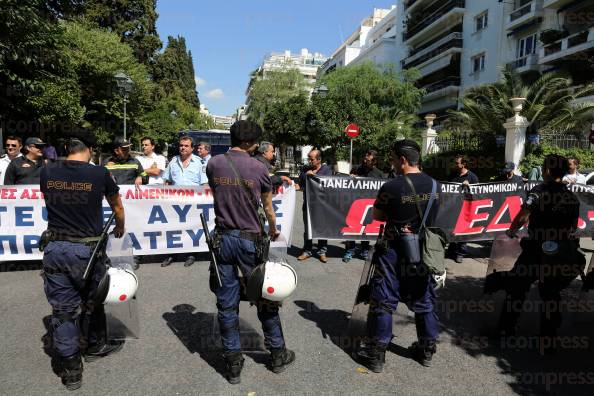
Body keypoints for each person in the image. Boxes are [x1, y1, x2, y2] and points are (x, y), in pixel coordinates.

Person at [206, 120, 294, 384]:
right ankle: (277, 353)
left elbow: (217, 191)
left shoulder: (214, 163)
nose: (258, 146)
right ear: (249, 143)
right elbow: (267, 208)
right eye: (256, 142)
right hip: (249, 241)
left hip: (222, 240)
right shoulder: (259, 168)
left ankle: (233, 363)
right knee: (264, 295)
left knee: (226, 302)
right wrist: (274, 228)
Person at [40, 137, 126, 390]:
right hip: (87, 249)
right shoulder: (99, 173)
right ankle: (94, 345)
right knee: (93, 299)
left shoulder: (47, 171)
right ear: (89, 150)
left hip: (55, 248)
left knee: (63, 310)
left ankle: (71, 369)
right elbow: (117, 207)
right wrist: (120, 226)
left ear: (67, 150)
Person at [356, 139, 441, 372]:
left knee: (383, 301)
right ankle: (426, 351)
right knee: (424, 301)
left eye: (393, 159)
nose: (392, 164)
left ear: (403, 160)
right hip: (424, 252)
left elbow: (377, 216)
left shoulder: (392, 187)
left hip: (393, 251)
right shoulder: (435, 185)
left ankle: (376, 354)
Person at [496, 154, 585, 352]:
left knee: (517, 288)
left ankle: (506, 329)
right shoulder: (571, 197)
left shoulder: (539, 191)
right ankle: (549, 337)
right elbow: (572, 227)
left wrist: (511, 230)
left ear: (546, 171)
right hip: (558, 253)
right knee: (551, 293)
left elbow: (523, 215)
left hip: (535, 250)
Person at [161, 136, 203, 267]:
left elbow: (205, 184)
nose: (182, 148)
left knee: (192, 228)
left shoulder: (199, 163)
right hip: (174, 203)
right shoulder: (173, 162)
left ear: (192, 148)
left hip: (193, 203)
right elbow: (167, 181)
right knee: (174, 228)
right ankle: (172, 254)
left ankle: (191, 254)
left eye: (186, 146)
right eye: (181, 145)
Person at [343, 150, 385, 263]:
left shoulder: (379, 174)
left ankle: (365, 249)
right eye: (365, 156)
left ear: (374, 161)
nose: (365, 159)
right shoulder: (357, 169)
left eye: (368, 158)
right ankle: (350, 250)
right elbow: (347, 183)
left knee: (365, 227)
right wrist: (351, 177)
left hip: (368, 206)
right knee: (352, 228)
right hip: (355, 204)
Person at [295, 149, 333, 263]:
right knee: (308, 230)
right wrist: (289, 187)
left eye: (311, 159)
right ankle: (307, 250)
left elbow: (328, 186)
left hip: (321, 206)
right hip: (307, 205)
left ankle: (322, 251)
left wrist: (314, 176)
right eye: (309, 158)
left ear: (319, 159)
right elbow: (299, 185)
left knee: (322, 229)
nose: (309, 161)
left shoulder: (326, 171)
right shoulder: (305, 169)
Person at [446, 154, 479, 263]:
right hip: (454, 207)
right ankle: (451, 249)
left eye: (457, 163)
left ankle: (460, 252)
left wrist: (469, 187)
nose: (455, 165)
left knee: (463, 231)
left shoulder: (472, 177)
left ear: (463, 164)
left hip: (466, 208)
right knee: (452, 229)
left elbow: (478, 194)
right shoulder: (453, 175)